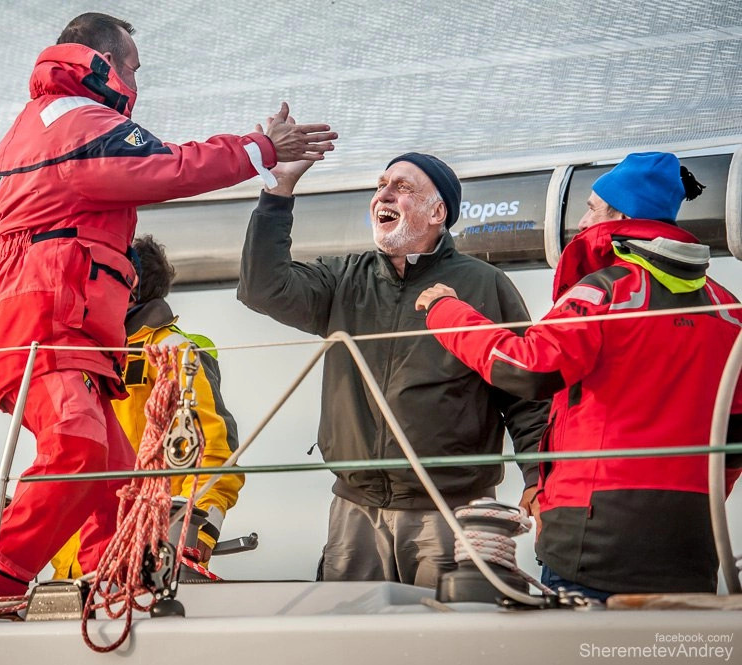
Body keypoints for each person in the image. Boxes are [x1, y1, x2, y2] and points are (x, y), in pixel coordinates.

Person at [0, 12, 331, 595]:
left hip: (42, 319)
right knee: (82, 449)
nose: (138, 84)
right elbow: (169, 167)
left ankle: (113, 583)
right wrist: (261, 149)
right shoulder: (81, 119)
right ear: (106, 63)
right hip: (53, 323)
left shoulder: (23, 129)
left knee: (116, 479)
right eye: (135, 69)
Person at [416, 152, 742, 599]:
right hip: (693, 533)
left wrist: (446, 311)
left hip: (595, 529)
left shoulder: (605, 291)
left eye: (591, 207)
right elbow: (736, 437)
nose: (583, 220)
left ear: (620, 215)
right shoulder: (728, 311)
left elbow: (528, 368)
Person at [236, 150, 548, 587]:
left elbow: (525, 395)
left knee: (445, 647)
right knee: (350, 648)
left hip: (450, 513)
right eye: (381, 185)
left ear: (437, 211)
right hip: (355, 511)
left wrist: (539, 477)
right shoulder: (344, 278)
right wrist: (277, 194)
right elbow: (263, 289)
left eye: (402, 187)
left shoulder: (485, 284)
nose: (384, 194)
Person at [0, 229, 245, 577]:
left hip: (142, 560)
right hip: (72, 569)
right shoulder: (74, 349)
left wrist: (191, 539)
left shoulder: (173, 352)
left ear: (127, 284)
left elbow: (213, 450)